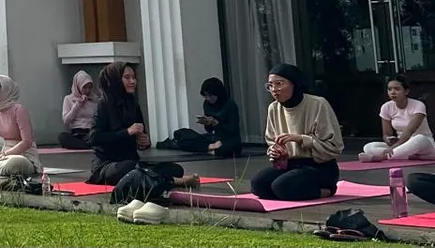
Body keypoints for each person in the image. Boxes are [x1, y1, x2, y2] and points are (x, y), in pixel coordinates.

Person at [87, 62, 197, 188]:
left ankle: (161, 178)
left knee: (175, 168)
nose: (132, 81)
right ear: (115, 80)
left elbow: (140, 137)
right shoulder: (103, 104)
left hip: (133, 161)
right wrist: (127, 132)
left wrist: (144, 142)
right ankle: (174, 181)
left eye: (134, 77)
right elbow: (94, 138)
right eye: (127, 78)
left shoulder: (132, 103)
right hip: (108, 164)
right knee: (129, 169)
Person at [250, 63, 343, 202]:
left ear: (294, 84)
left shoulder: (318, 104)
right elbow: (272, 141)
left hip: (319, 167)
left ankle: (327, 190)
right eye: (270, 85)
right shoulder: (273, 108)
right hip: (291, 166)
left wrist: (300, 139)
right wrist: (277, 153)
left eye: (279, 84)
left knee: (283, 187)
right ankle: (290, 191)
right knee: (258, 184)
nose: (274, 89)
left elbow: (334, 146)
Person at [360, 75, 435, 163]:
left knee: (420, 138)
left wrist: (394, 147)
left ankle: (380, 158)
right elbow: (386, 134)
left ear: (406, 91)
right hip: (401, 144)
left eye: (397, 89)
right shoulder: (386, 107)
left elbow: (409, 132)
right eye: (389, 89)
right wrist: (389, 140)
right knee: (368, 147)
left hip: (423, 143)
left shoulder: (418, 105)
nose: (392, 92)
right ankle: (409, 156)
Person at [162, 77, 242, 158]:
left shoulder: (230, 105)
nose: (208, 99)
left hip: (227, 139)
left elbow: (233, 130)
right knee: (181, 134)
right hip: (214, 139)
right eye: (205, 96)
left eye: (210, 96)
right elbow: (209, 130)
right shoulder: (207, 104)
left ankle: (208, 149)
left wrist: (216, 123)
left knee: (233, 147)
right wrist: (207, 123)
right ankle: (210, 148)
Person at [58, 70, 98, 150]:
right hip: (77, 133)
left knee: (100, 137)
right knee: (62, 137)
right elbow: (66, 120)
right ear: (78, 86)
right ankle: (88, 145)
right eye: (84, 88)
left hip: (91, 132)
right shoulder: (68, 99)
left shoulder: (94, 100)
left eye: (90, 88)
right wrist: (78, 105)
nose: (87, 90)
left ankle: (88, 144)